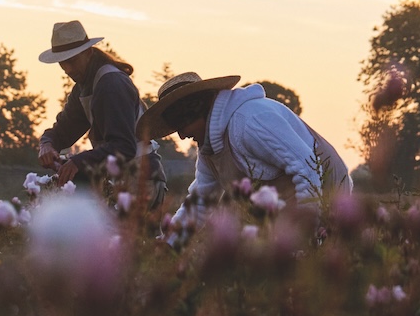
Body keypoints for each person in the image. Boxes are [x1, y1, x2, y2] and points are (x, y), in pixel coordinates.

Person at [136, 71, 351, 226]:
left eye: (183, 125)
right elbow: (200, 203)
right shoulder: (210, 151)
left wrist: (309, 231)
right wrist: (167, 246)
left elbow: (307, 168)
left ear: (199, 111)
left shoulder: (250, 121)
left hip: (328, 204)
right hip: (282, 221)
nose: (182, 135)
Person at [37, 20, 167, 210]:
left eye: (72, 60)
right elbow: (63, 131)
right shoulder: (84, 87)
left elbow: (124, 147)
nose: (68, 69)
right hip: (120, 182)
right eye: (63, 63)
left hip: (141, 181)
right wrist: (47, 144)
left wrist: (79, 162)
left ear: (88, 53)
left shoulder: (110, 84)